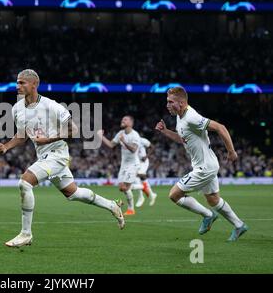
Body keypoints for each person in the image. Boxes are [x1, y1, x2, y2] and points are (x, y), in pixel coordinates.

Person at [0, 69, 125, 248]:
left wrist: (49, 139)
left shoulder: (51, 106)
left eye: (22, 83)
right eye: (17, 82)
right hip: (45, 156)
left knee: (24, 183)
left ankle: (26, 234)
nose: (17, 86)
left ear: (34, 84)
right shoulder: (17, 108)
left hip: (57, 155)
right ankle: (111, 205)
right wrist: (7, 146)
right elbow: (22, 135)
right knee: (73, 193)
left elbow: (74, 130)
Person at [155, 86, 248, 241]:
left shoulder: (191, 117)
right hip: (207, 164)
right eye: (167, 101)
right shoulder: (180, 116)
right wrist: (165, 131)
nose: (168, 105)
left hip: (204, 168)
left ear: (182, 103)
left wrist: (231, 151)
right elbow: (183, 138)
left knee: (174, 195)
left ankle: (208, 215)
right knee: (213, 200)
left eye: (171, 102)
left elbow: (220, 127)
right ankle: (239, 226)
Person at [98, 115, 141, 215]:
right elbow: (111, 145)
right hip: (124, 165)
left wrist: (124, 141)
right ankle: (141, 186)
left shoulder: (135, 135)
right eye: (122, 119)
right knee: (122, 188)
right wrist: (101, 137)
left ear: (131, 123)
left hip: (133, 164)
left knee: (126, 187)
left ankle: (131, 209)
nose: (122, 120)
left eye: (125, 119)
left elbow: (134, 150)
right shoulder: (120, 133)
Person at [134, 137, 157, 208]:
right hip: (136, 162)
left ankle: (141, 197)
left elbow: (153, 147)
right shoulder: (129, 142)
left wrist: (146, 156)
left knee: (137, 176)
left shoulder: (142, 140)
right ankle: (151, 194)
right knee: (139, 178)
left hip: (143, 161)